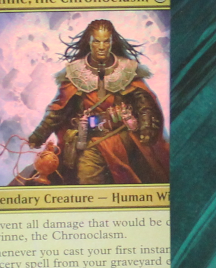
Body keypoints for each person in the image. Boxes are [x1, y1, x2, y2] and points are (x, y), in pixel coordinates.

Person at [22, 19, 169, 185]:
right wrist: (39, 134)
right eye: (96, 41)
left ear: (112, 42)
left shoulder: (127, 70)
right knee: (86, 177)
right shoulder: (75, 73)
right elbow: (58, 110)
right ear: (89, 42)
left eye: (106, 42)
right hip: (88, 139)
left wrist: (148, 127)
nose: (101, 47)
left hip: (122, 138)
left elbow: (145, 103)